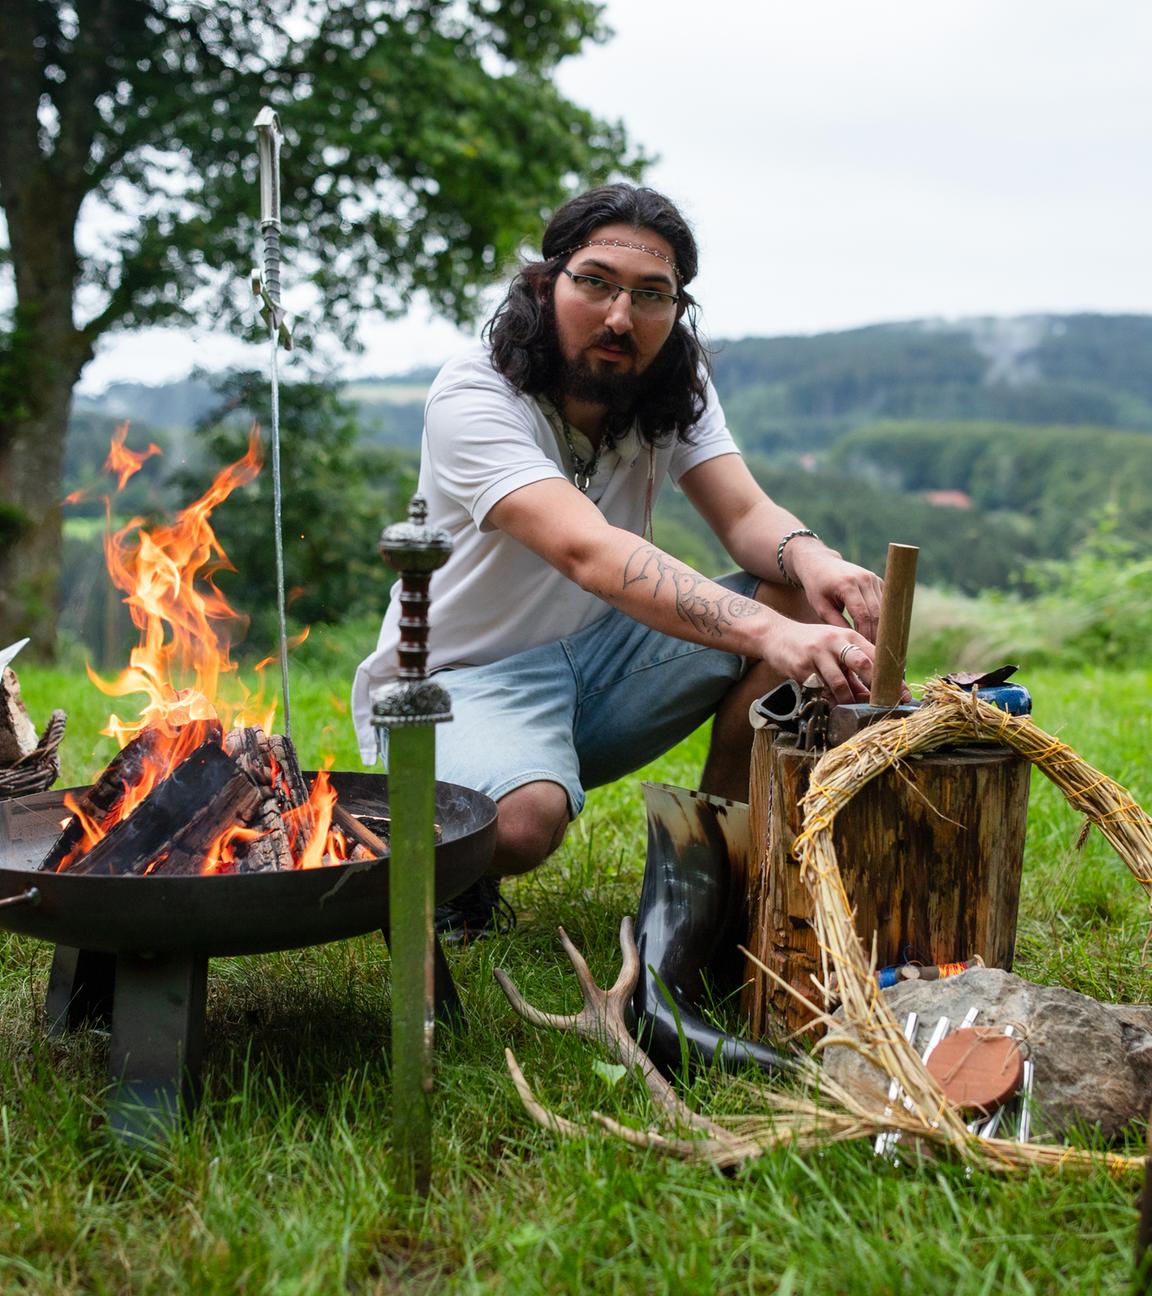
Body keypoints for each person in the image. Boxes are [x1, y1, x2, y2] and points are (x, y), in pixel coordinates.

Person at [352, 183, 885, 939]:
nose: (619, 316)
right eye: (596, 282)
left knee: (798, 600)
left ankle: (715, 876)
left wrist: (813, 560)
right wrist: (767, 634)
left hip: (605, 663)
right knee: (521, 825)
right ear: (546, 284)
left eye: (651, 295)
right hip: (463, 680)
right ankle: (456, 857)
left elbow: (744, 515)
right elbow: (589, 550)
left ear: (678, 308)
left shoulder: (674, 383)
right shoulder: (475, 392)